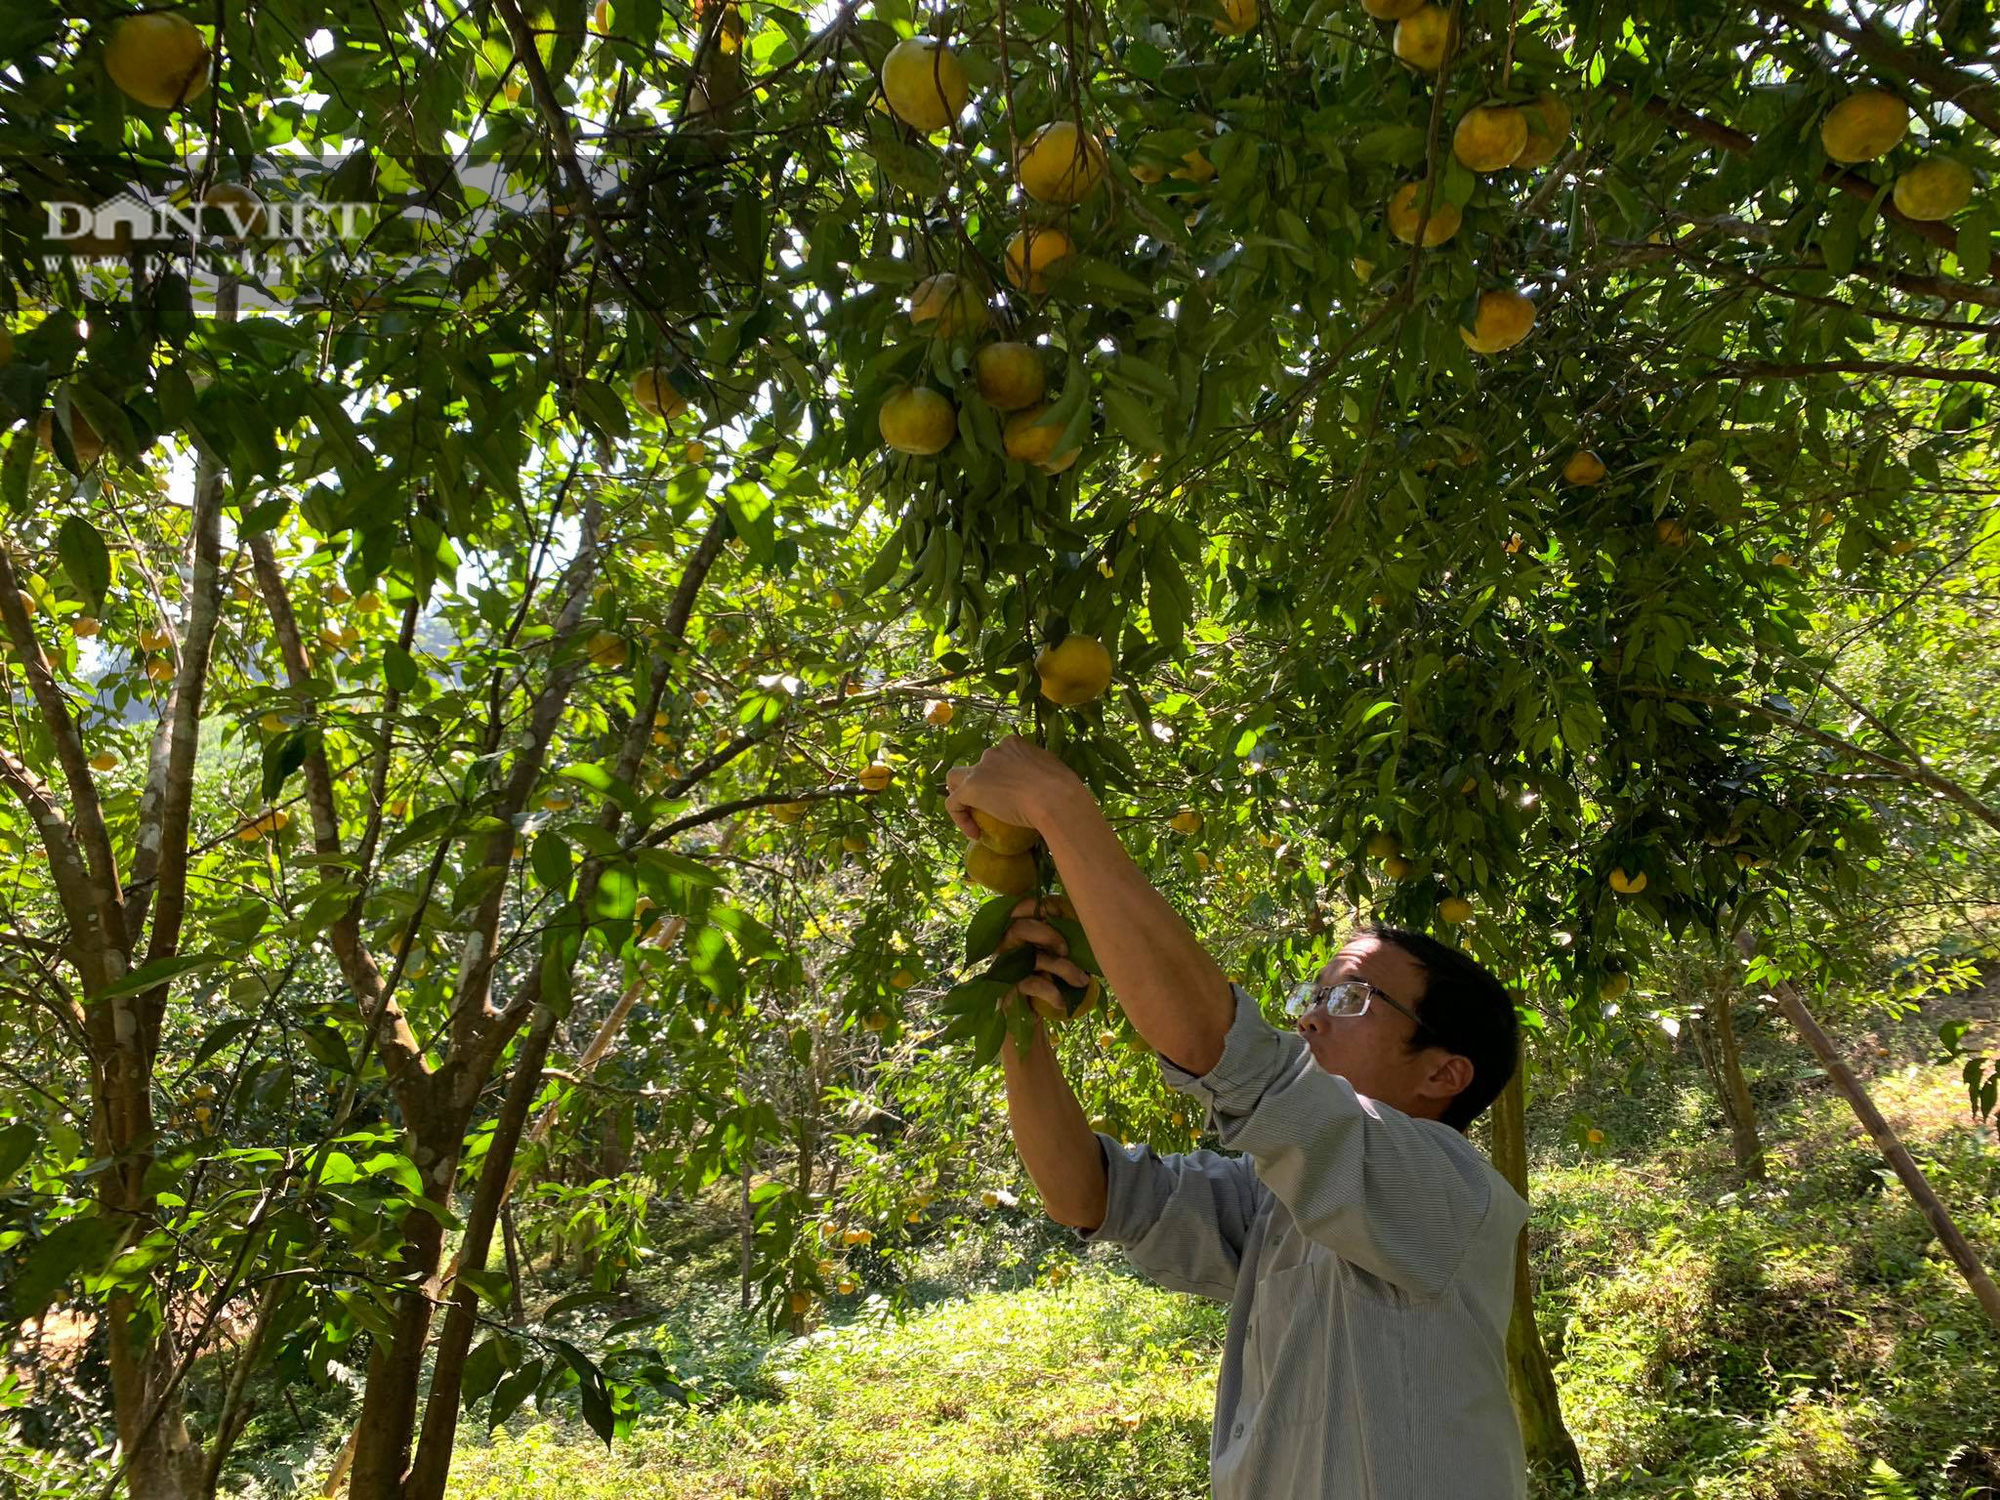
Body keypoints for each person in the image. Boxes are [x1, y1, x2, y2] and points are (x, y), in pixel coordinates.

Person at [945, 735, 1529, 1500]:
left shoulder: (1449, 1192)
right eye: (1311, 997)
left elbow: (1219, 1048)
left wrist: (1059, 807)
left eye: (1349, 998)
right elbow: (1086, 1195)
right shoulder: (1280, 1205)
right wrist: (1021, 1021)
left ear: (1443, 1072)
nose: (1311, 1021)